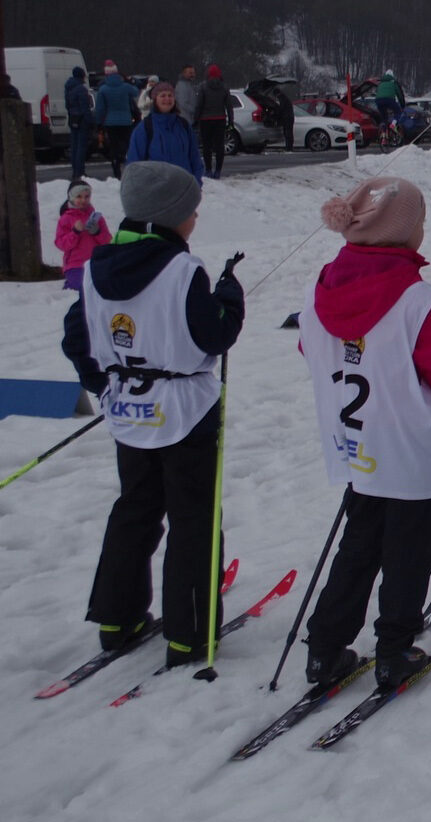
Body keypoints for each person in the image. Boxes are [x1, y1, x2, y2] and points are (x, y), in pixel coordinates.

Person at [59, 161, 246, 668]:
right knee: (194, 518)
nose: (195, 221)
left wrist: (106, 383)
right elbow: (213, 334)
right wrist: (229, 294)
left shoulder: (98, 266)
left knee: (135, 509)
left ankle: (116, 619)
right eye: (191, 212)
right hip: (184, 409)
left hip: (131, 409)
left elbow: (77, 337)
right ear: (169, 217)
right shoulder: (183, 270)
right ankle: (190, 634)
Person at [298, 177, 431, 690]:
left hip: (357, 441)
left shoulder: (323, 288)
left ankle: (326, 645)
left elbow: (311, 351)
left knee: (360, 542)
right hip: (410, 447)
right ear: (405, 233)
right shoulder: (417, 300)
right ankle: (394, 648)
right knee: (409, 549)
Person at [126, 82, 205, 182]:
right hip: (155, 190)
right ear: (155, 99)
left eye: (170, 95)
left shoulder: (184, 126)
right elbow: (134, 163)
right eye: (162, 95)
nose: (167, 99)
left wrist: (196, 183)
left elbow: (195, 158)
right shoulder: (144, 128)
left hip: (183, 187)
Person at [55, 181, 112, 290]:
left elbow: (108, 242)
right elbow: (61, 244)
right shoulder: (65, 219)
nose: (83, 200)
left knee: (102, 285)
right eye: (79, 197)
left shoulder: (97, 218)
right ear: (71, 198)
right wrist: (75, 232)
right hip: (75, 265)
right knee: (84, 287)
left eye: (87, 196)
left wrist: (97, 232)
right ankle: (70, 283)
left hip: (96, 262)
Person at [93, 61, 140, 179]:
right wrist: (129, 80)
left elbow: (100, 109)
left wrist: (99, 123)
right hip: (126, 121)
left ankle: (116, 166)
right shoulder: (125, 87)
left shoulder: (103, 89)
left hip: (110, 122)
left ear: (106, 74)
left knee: (113, 145)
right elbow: (136, 91)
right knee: (126, 143)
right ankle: (125, 160)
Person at [196, 65, 233, 179]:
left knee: (207, 146)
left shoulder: (203, 87)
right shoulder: (224, 88)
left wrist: (196, 119)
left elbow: (199, 105)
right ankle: (218, 170)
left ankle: (208, 169)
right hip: (220, 119)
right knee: (219, 146)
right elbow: (229, 106)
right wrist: (230, 120)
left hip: (205, 120)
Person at [66, 66, 95, 180]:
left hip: (73, 118)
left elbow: (67, 105)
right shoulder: (81, 89)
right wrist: (90, 121)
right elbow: (85, 108)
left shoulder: (68, 88)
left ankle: (75, 170)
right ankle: (80, 171)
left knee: (74, 145)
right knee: (81, 147)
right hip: (82, 120)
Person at [173, 66, 201, 137]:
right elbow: (182, 102)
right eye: (190, 73)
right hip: (184, 119)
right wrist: (195, 110)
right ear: (184, 73)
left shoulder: (189, 84)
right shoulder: (182, 85)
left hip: (189, 119)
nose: (193, 75)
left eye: (194, 73)